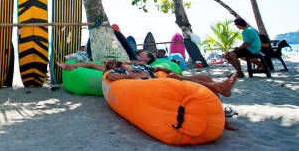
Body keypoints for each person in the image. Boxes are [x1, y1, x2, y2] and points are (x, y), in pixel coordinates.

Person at [56, 59, 238, 97]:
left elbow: (155, 66)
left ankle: (217, 93)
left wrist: (158, 68)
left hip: (153, 75)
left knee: (204, 75)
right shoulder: (114, 71)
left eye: (114, 60)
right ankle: (218, 89)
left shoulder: (132, 64)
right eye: (110, 63)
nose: (112, 62)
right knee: (176, 78)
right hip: (147, 82)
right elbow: (91, 66)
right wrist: (70, 66)